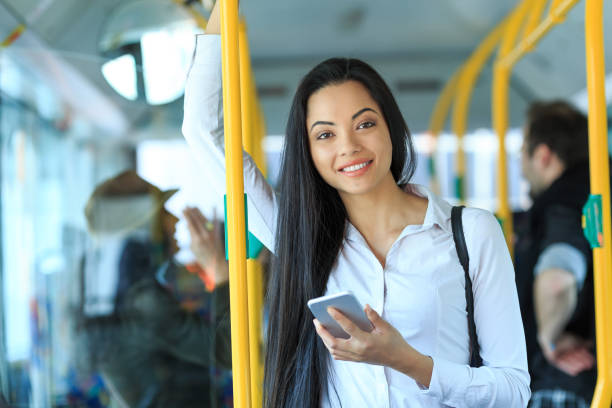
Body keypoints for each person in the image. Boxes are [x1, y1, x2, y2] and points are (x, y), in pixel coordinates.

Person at [182, 2, 530, 406]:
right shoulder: (302, 238)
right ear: (308, 152)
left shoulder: (471, 233)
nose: (349, 147)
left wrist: (410, 363)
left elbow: (513, 391)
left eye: (365, 124)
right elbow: (203, 130)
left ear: (391, 128)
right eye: (325, 135)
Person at [80, 170, 232, 407]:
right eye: (163, 213)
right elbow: (227, 350)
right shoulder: (144, 301)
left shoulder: (129, 292)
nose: (175, 221)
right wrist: (220, 272)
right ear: (147, 228)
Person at [514, 101, 596, 408]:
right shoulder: (599, 187)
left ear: (543, 155)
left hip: (570, 378)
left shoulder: (562, 203)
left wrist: (549, 339)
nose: (521, 163)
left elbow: (557, 282)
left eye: (524, 150)